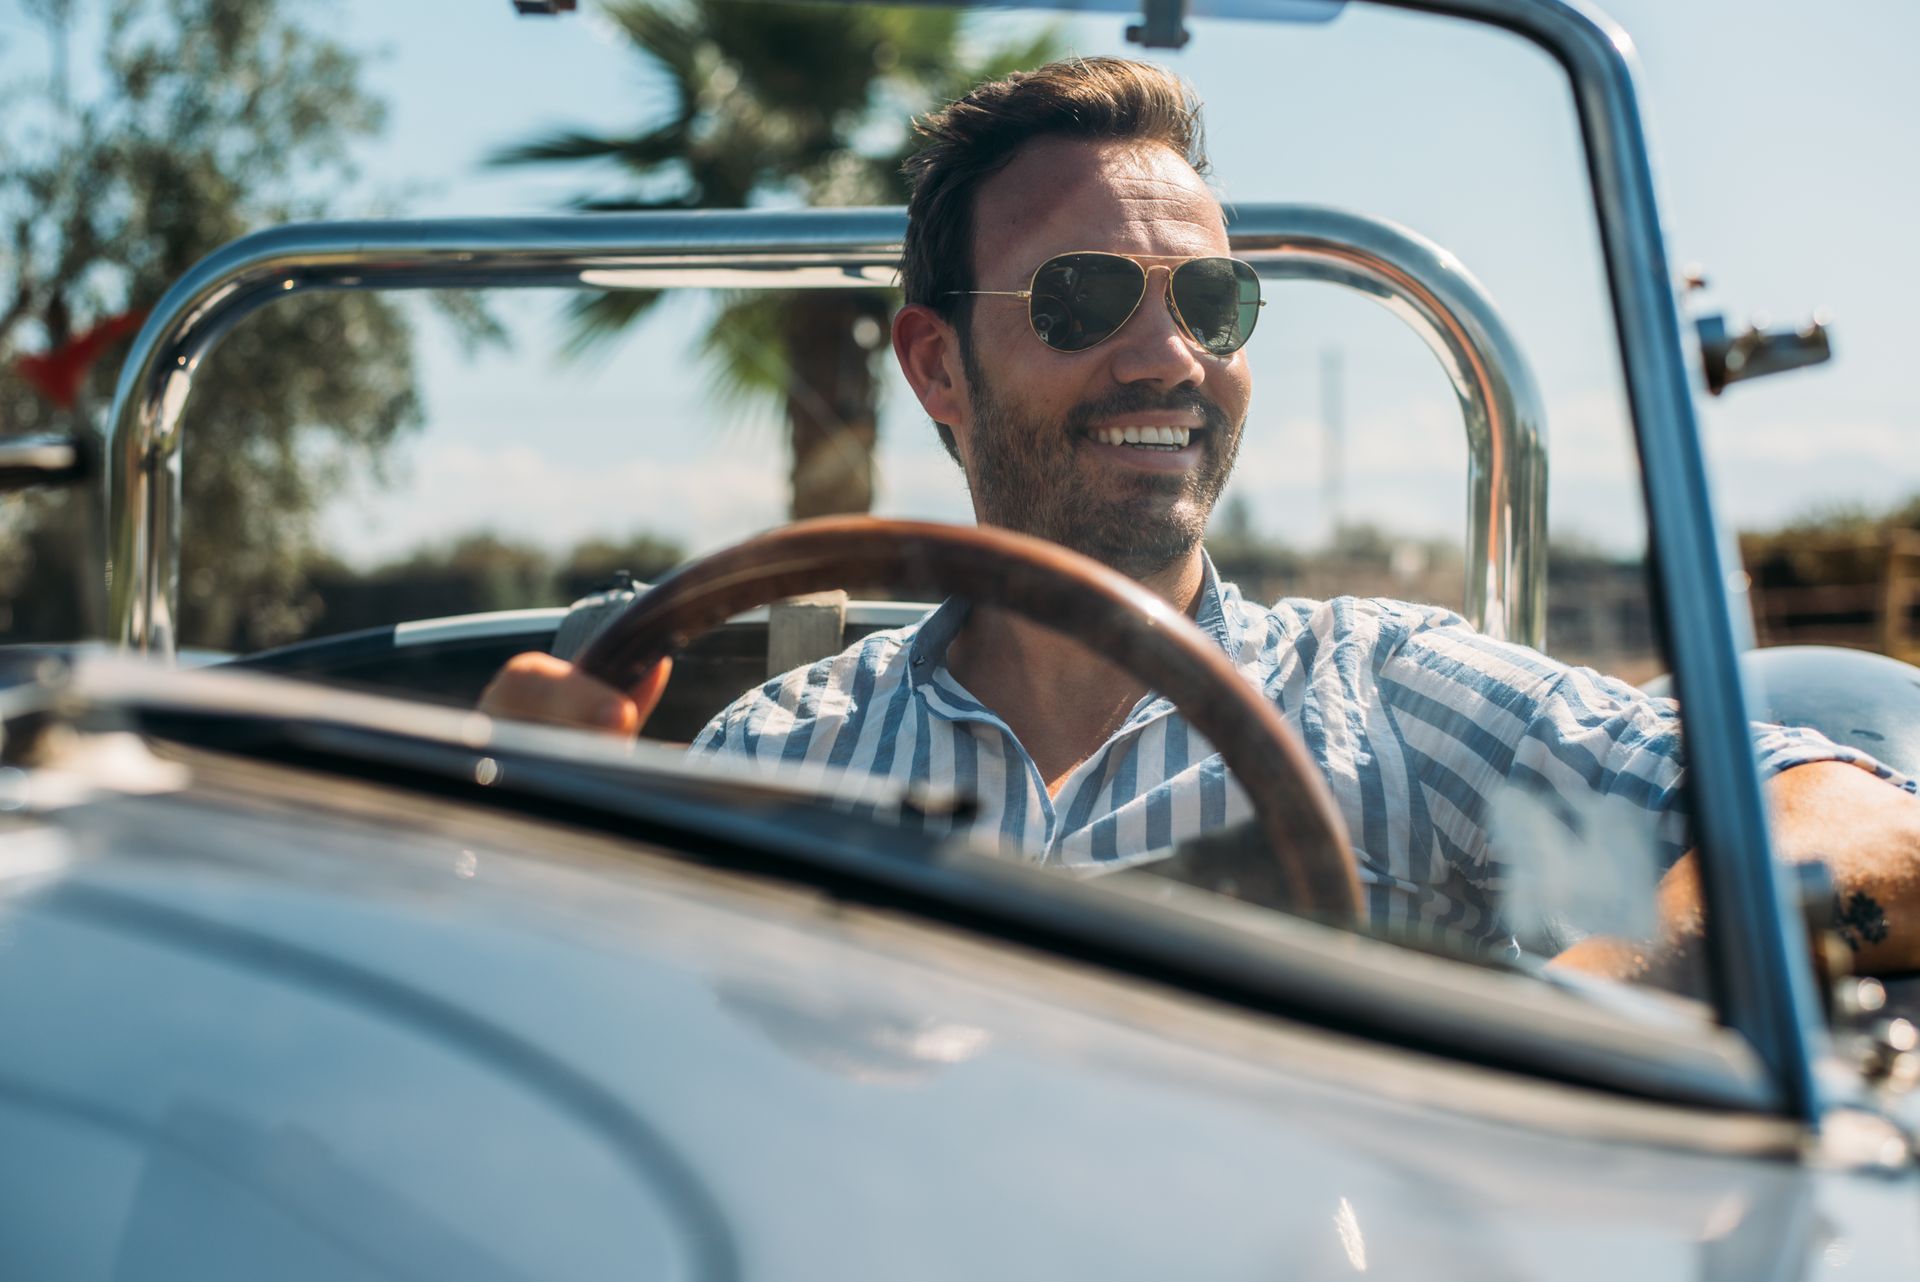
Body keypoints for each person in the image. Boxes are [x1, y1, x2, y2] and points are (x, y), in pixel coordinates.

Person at [481, 57, 1920, 981]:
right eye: (1087, 297)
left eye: (1212, 303)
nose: (1170, 356)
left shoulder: (1391, 695)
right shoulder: (780, 755)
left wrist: (1577, 1009)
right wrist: (530, 853)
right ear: (936, 366)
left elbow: (1857, 822)